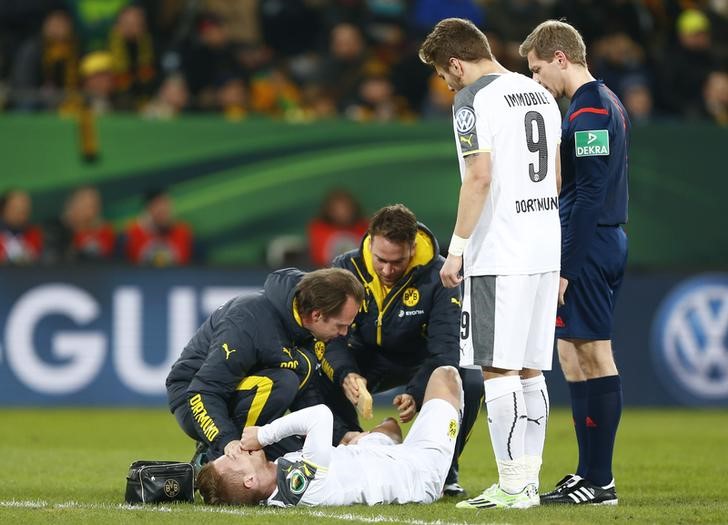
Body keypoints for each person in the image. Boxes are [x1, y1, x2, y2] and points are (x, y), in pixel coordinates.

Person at [419, 18, 562, 509]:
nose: (447, 84)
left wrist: (456, 248)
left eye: (444, 74)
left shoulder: (472, 100)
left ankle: (512, 483)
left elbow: (478, 177)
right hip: (545, 245)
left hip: (501, 250)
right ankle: (528, 480)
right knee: (530, 370)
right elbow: (557, 176)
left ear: (456, 62)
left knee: (497, 370)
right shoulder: (539, 92)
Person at [519, 19, 629, 505]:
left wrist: (566, 265)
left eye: (538, 69)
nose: (538, 81)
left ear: (561, 58)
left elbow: (588, 194)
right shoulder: (604, 102)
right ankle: (588, 474)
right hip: (595, 240)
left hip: (590, 243)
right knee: (571, 353)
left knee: (593, 353)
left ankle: (600, 481)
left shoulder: (589, 113)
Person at [318, 203, 483, 497]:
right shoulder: (346, 268)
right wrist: (347, 373)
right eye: (380, 259)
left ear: (412, 247)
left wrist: (417, 391)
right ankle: (346, 453)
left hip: (421, 362)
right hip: (366, 357)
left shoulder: (440, 274)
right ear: (369, 242)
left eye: (398, 262)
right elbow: (330, 338)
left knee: (469, 380)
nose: (387, 269)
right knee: (319, 374)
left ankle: (447, 469)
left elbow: (446, 349)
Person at [166, 267, 364, 466]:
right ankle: (211, 460)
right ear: (316, 315)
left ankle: (247, 449)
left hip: (241, 397)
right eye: (340, 325)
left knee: (307, 460)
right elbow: (204, 391)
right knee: (284, 381)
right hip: (193, 399)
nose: (345, 333)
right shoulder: (248, 320)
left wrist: (340, 435)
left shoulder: (306, 328)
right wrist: (226, 441)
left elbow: (307, 393)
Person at [196, 365, 463, 506]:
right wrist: (263, 435)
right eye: (233, 459)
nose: (237, 450)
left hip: (367, 459)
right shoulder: (298, 485)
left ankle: (372, 439)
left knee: (390, 426)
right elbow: (320, 415)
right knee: (446, 376)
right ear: (250, 481)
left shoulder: (277, 486)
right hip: (418, 470)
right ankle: (446, 472)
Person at [44, 185, 116, 263]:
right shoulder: (56, 230)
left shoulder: (104, 232)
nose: (89, 209)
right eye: (84, 203)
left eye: (93, 204)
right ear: (72, 204)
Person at [123, 188, 194, 266]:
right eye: (157, 204)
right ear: (148, 208)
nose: (163, 208)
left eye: (165, 204)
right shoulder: (133, 233)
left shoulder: (182, 232)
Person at [307, 188, 368, 268]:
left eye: (346, 208)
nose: (342, 213)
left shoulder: (365, 226)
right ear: (329, 210)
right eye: (337, 209)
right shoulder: (319, 229)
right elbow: (320, 260)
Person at [0, 189, 43, 265]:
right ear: (4, 209)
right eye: (16, 208)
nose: (21, 213)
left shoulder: (34, 234)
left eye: (24, 209)